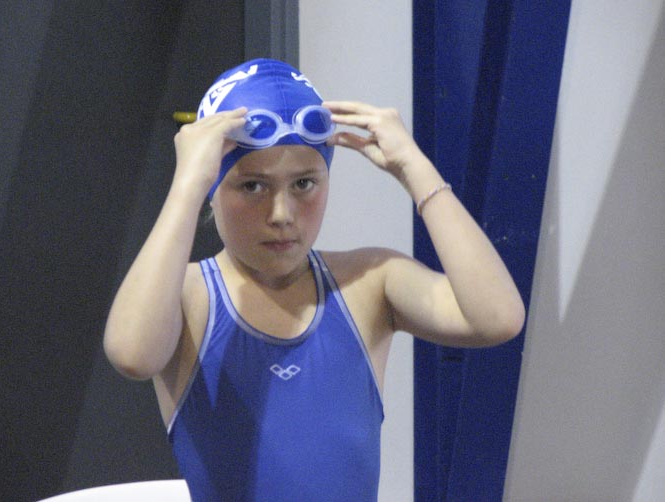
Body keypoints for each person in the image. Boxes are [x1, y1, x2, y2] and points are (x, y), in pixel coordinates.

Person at [103, 58, 525, 501]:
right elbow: (131, 353)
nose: (281, 214)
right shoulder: (190, 296)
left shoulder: (369, 283)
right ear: (213, 188)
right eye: (252, 186)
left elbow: (498, 317)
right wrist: (186, 186)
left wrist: (416, 169)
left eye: (304, 183)